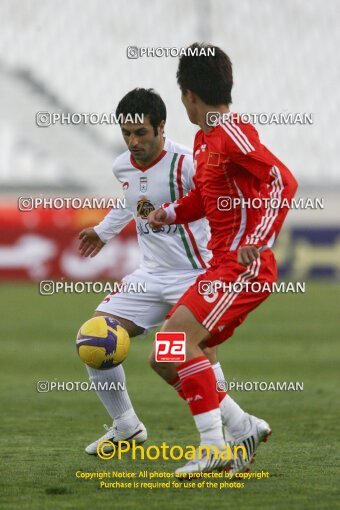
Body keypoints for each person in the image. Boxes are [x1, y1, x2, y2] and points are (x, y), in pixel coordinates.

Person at [148, 43, 298, 475]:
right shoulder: (204, 139)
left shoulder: (230, 132)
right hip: (221, 267)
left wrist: (258, 235)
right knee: (165, 354)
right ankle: (242, 426)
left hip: (243, 267)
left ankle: (214, 447)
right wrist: (171, 213)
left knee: (174, 344)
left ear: (188, 94)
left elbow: (282, 182)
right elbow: (205, 197)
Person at [78, 87, 237, 455]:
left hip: (194, 275)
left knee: (180, 352)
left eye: (141, 133)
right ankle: (126, 426)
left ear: (161, 127)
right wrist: (103, 231)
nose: (133, 142)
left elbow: (219, 202)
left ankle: (227, 432)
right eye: (126, 133)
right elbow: (131, 201)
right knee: (93, 338)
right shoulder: (122, 165)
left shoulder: (188, 162)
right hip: (149, 276)